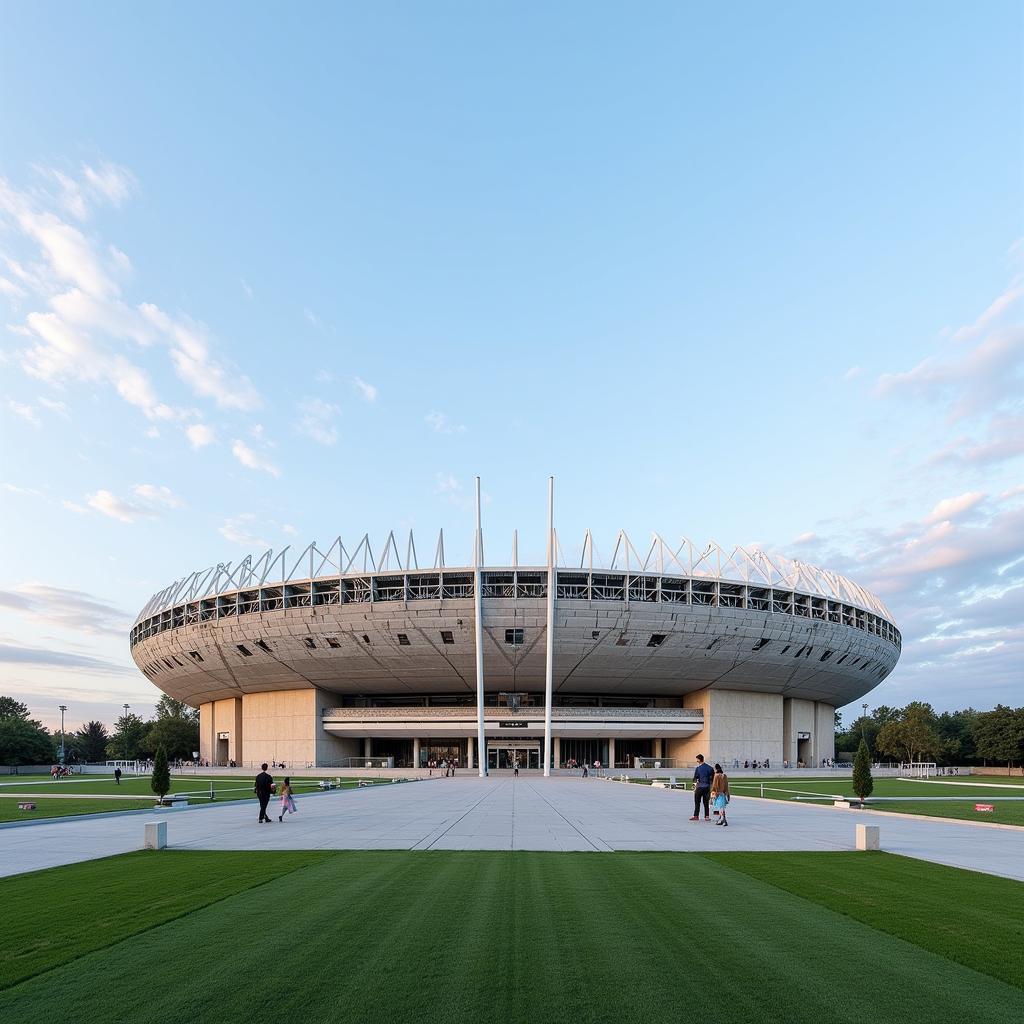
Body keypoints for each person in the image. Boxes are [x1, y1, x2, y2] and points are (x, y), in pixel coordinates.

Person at [690, 754, 714, 821]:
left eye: (697, 759)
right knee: (706, 802)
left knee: (697, 802)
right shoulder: (710, 768)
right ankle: (707, 816)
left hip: (700, 787)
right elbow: (713, 778)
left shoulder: (698, 768)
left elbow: (695, 778)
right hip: (707, 787)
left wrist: (694, 786)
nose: (696, 760)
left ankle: (696, 816)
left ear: (699, 759)